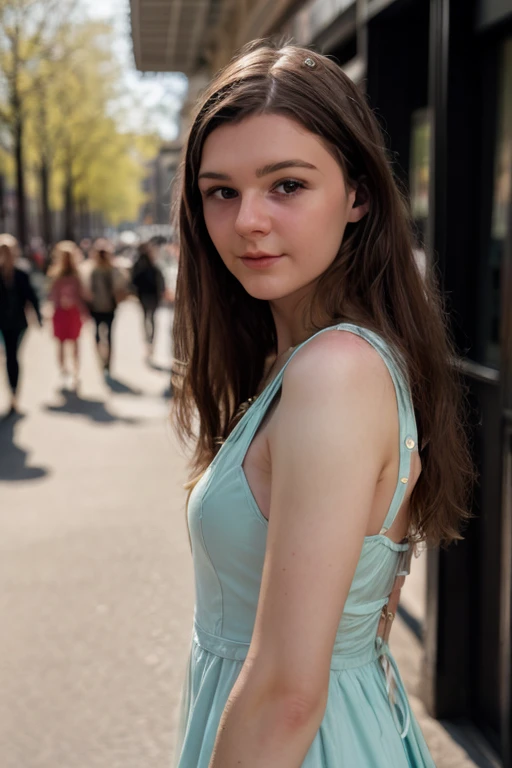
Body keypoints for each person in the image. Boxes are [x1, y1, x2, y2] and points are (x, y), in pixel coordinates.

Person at [171, 41, 474, 768]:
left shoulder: (335, 372)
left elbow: (288, 695)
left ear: (358, 195)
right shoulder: (314, 361)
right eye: (221, 191)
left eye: (286, 185)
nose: (247, 220)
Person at [0, 234, 42, 415]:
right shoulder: (21, 272)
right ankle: (14, 394)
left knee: (11, 356)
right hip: (10, 321)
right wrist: (39, 318)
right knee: (12, 356)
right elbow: (32, 297)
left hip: (15, 322)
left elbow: (31, 296)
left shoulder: (21, 273)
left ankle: (13, 393)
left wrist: (39, 317)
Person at [48, 240, 89, 389]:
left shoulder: (75, 273)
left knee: (72, 343)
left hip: (72, 312)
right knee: (64, 343)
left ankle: (73, 371)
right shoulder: (56, 273)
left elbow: (82, 294)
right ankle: (66, 371)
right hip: (63, 312)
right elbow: (52, 295)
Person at [87, 239, 125, 374]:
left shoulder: (95, 270)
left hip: (100, 306)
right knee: (107, 335)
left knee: (99, 334)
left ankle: (103, 358)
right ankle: (106, 359)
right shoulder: (109, 269)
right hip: (106, 306)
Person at [131, 242, 165, 357]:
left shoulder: (139, 265)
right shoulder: (152, 265)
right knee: (151, 318)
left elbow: (133, 282)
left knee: (146, 317)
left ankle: (148, 340)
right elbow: (160, 280)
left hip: (144, 295)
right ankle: (150, 340)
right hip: (151, 295)